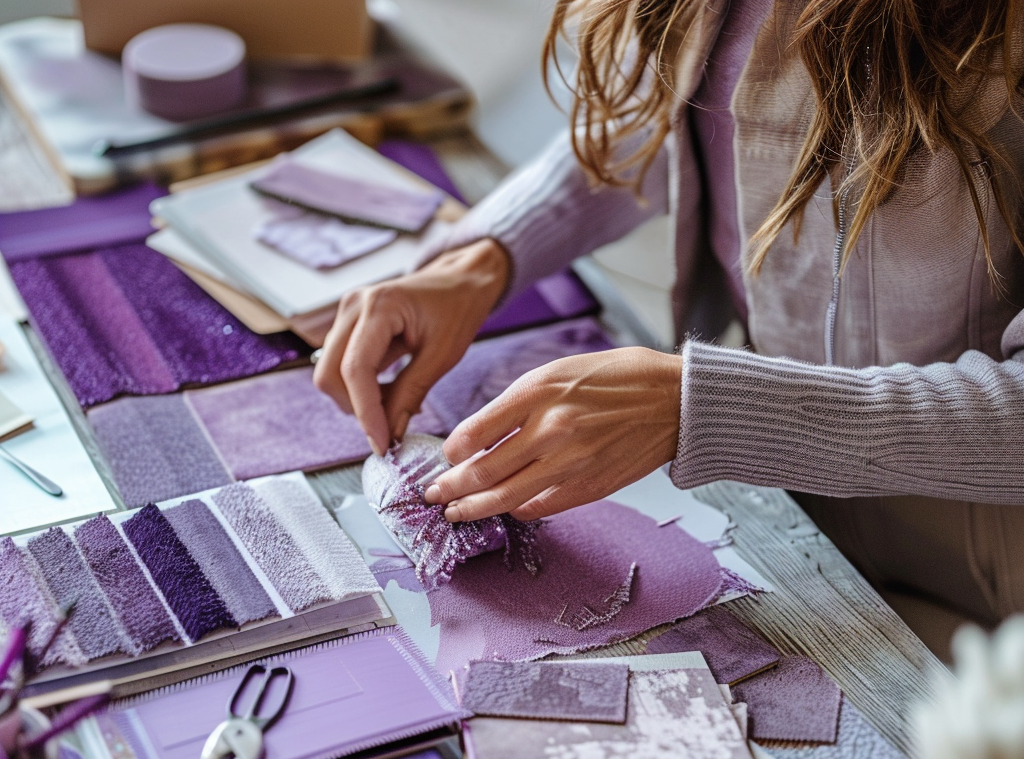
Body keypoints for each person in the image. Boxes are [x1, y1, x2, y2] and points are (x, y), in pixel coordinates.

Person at [313, 0, 1024, 640]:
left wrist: (702, 409)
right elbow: (679, 118)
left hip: (984, 583)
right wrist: (485, 257)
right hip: (793, 522)